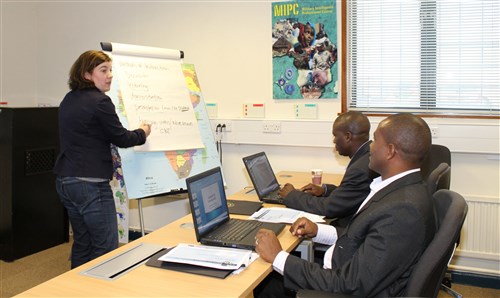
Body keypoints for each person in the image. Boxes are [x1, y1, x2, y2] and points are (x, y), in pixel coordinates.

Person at [255, 113, 436, 297]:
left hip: (342, 284)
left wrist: (278, 256)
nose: (370, 148)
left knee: (264, 286)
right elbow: (365, 236)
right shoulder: (400, 190)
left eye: (374, 141)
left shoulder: (402, 211)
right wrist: (319, 231)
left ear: (390, 151)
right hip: (346, 265)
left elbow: (350, 284)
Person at [53, 50, 152, 268]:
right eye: (103, 70)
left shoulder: (69, 98)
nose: (109, 75)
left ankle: (78, 289)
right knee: (105, 247)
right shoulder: (100, 101)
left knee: (82, 242)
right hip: (90, 185)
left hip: (66, 181)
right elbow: (122, 137)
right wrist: (143, 132)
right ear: (87, 74)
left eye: (110, 70)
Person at [279, 111, 379, 227]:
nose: (334, 141)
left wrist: (292, 195)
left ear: (347, 137)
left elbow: (328, 208)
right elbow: (352, 193)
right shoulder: (367, 156)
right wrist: (324, 190)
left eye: (336, 135)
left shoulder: (360, 169)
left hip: (347, 231)